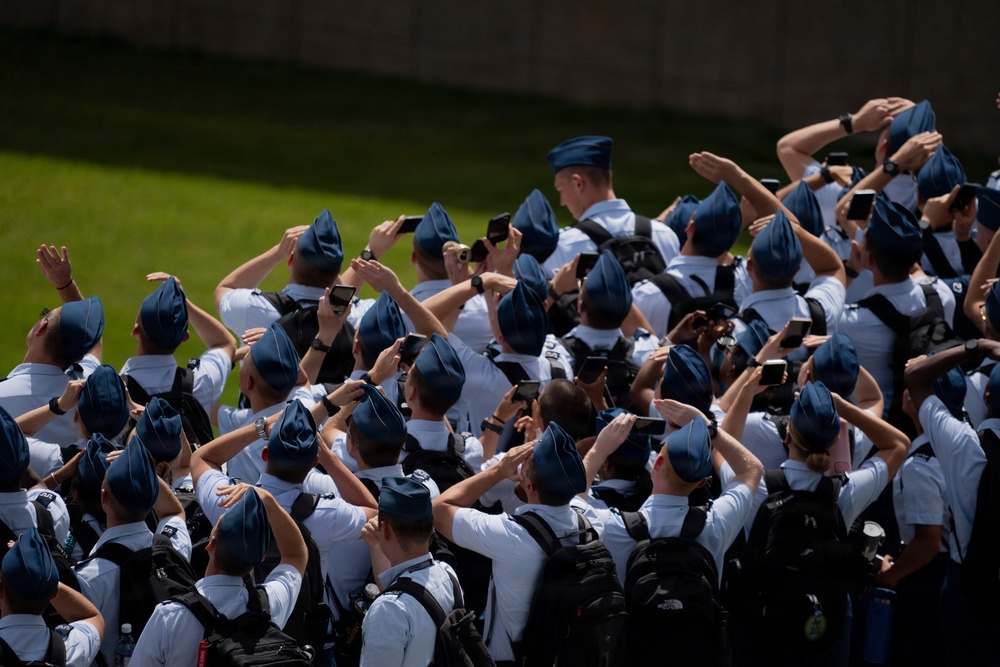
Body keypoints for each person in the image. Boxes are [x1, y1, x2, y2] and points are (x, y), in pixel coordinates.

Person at [432, 421, 597, 665]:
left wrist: (498, 470)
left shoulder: (509, 534)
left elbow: (439, 509)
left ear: (529, 486)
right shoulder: (591, 521)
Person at [130, 486, 307, 666]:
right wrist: (268, 500)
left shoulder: (170, 615)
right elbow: (296, 555)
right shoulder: (269, 604)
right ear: (260, 559)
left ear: (210, 544)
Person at [904, 341, 1000, 664]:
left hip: (967, 590)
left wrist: (978, 346)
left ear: (987, 397)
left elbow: (915, 377)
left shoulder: (964, 446)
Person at [73, 439, 193, 666]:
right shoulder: (172, 549)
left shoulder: (86, 578)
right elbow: (174, 512)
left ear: (104, 498)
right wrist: (144, 473)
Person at [839, 197, 955, 421]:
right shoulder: (942, 295)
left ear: (869, 258)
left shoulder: (853, 322)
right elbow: (919, 274)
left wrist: (852, 269)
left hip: (883, 431)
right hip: (936, 418)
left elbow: (819, 312)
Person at [0, 245, 104, 446]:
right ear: (78, 357)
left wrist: (64, 283)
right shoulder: (87, 384)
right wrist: (66, 285)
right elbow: (92, 341)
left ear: (41, 329)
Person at [541, 135, 679, 277]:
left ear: (578, 183)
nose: (562, 202)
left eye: (561, 190)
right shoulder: (664, 235)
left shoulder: (564, 245)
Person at [360, 477, 460, 667]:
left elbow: (399, 597)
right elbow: (405, 588)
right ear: (431, 528)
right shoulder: (448, 574)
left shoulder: (388, 609)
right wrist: (376, 547)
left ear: (385, 530)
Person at [120, 274, 235, 430]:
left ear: (136, 330)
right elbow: (225, 343)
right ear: (185, 337)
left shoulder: (114, 390)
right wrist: (182, 302)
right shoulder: (202, 380)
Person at [0, 528, 103, 667]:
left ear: (1, 589)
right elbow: (93, 617)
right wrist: (45, 581)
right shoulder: (71, 648)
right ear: (53, 593)